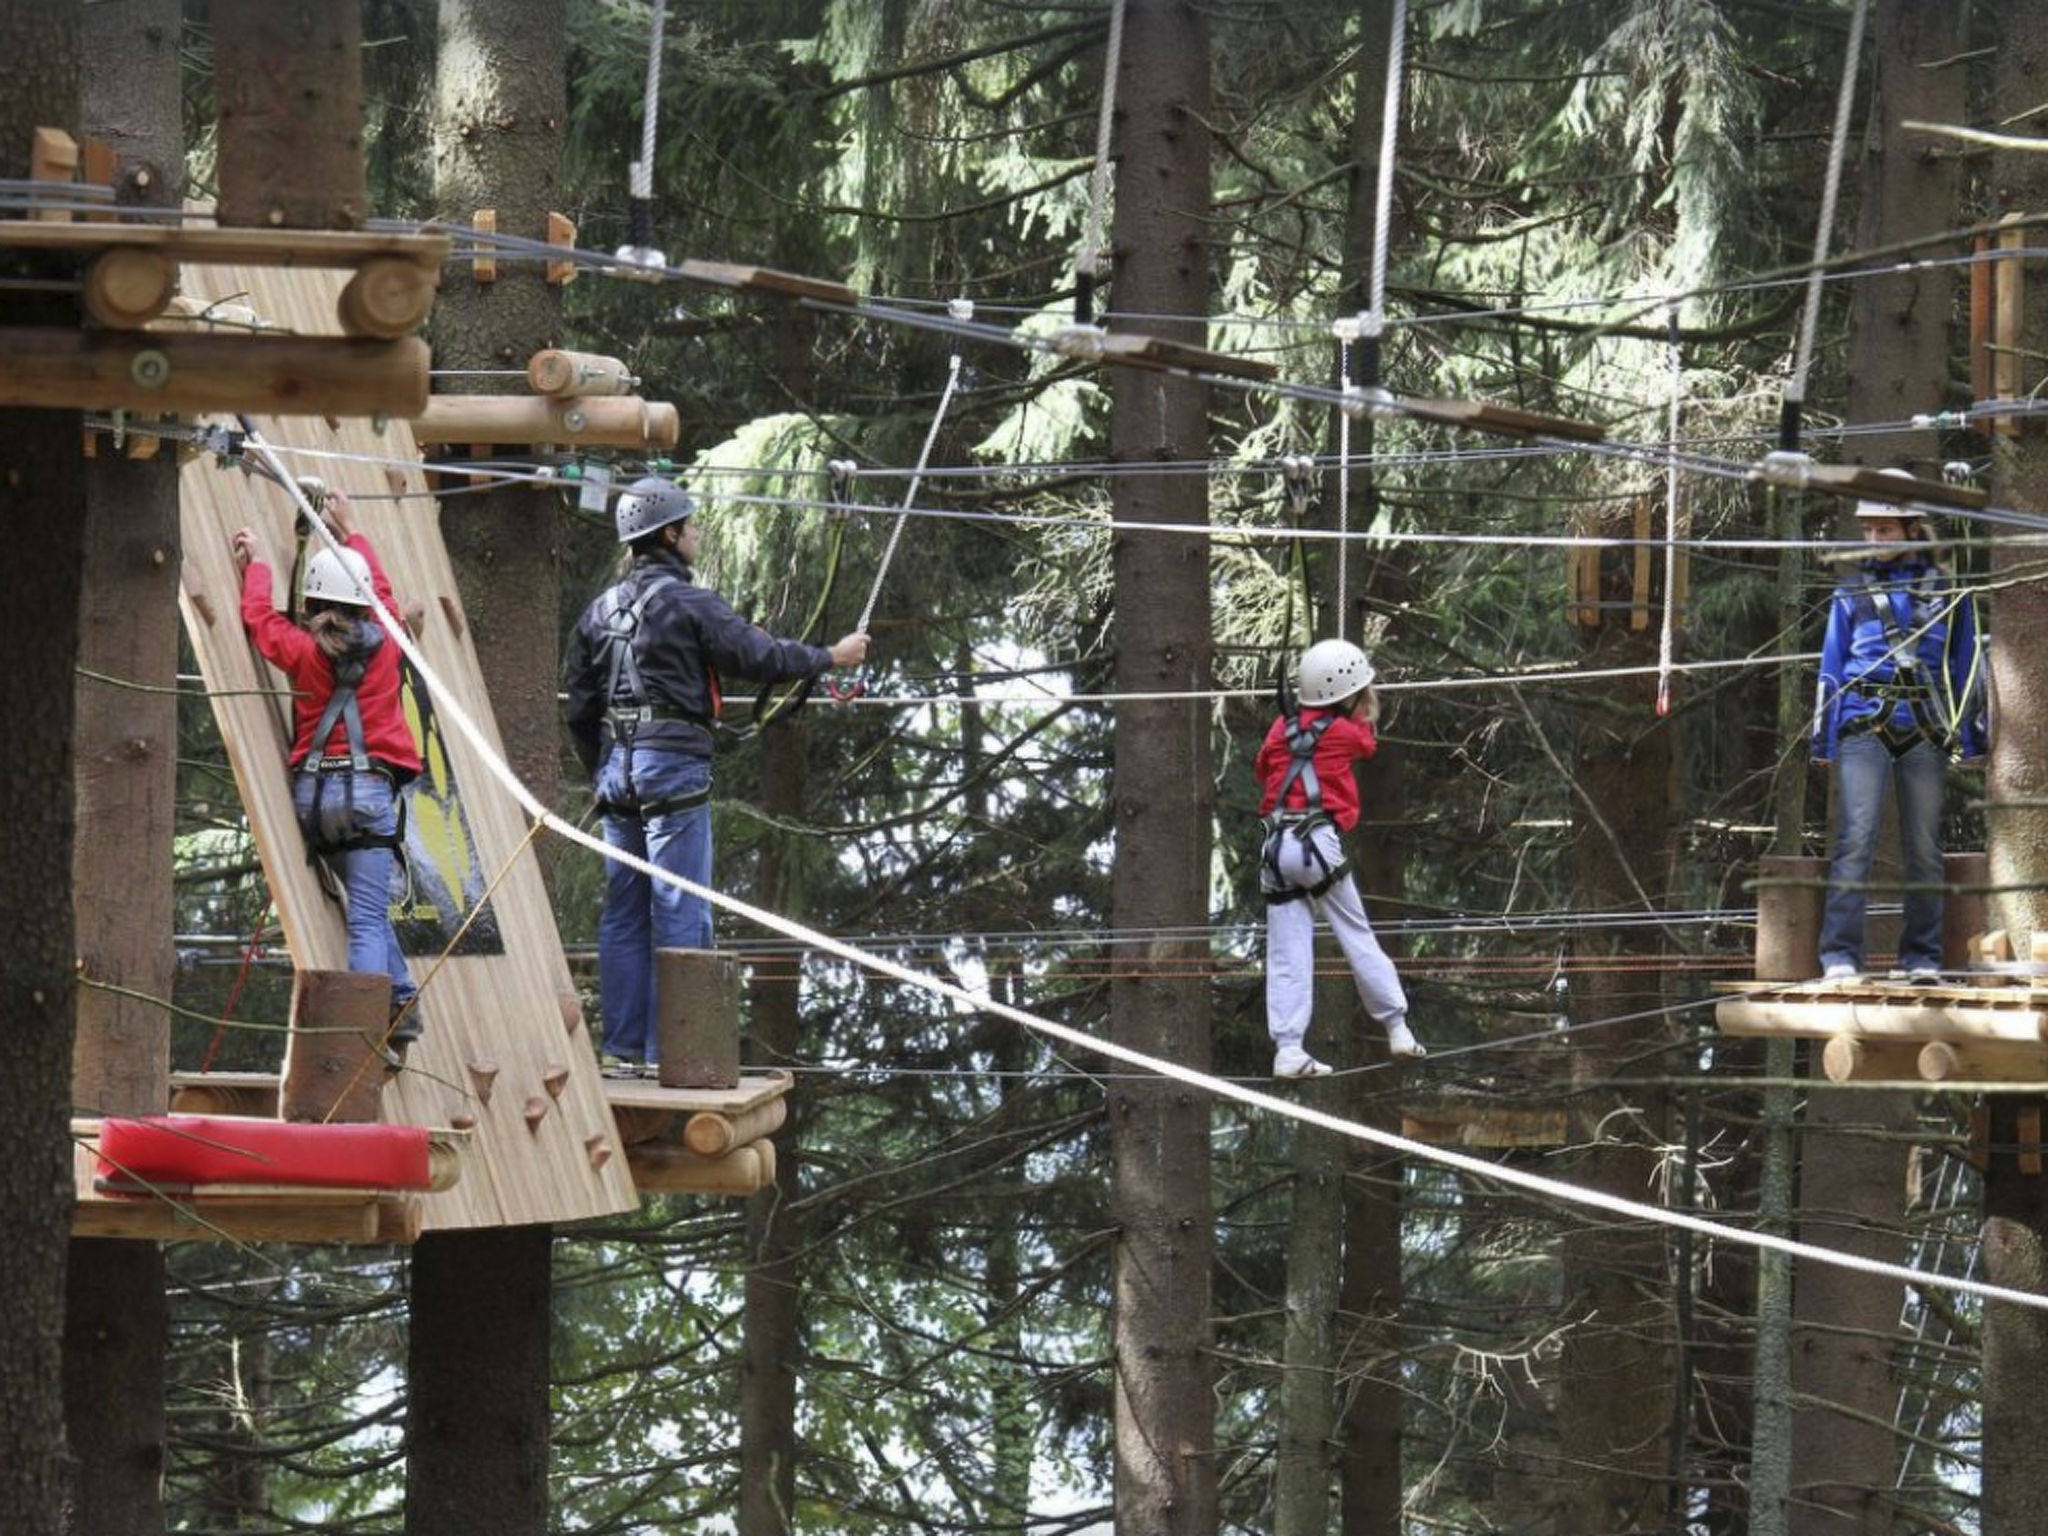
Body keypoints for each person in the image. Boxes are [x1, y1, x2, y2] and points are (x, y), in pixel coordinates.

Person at [564, 476, 870, 1077]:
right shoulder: (688, 603)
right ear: (670, 534)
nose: (697, 534)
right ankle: (669, 1052)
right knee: (681, 905)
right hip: (670, 766)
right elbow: (759, 656)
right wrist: (832, 657)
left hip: (618, 772)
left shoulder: (597, 611)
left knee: (625, 908)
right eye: (691, 525)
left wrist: (600, 768)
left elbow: (580, 704)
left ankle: (624, 1052)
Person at [232, 488, 423, 1063]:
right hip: (367, 797)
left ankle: (403, 1003)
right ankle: (370, 1035)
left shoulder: (301, 650)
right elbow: (383, 593)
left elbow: (258, 621)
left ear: (314, 600)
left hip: (314, 798)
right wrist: (352, 529)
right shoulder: (387, 642)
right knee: (366, 918)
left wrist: (259, 564)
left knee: (366, 910)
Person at [1811, 473, 1987, 983]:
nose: (1875, 540)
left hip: (1926, 727)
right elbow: (1830, 664)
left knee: (1924, 849)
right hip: (1863, 723)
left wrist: (1973, 737)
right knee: (1855, 839)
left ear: (1912, 529)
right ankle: (1840, 956)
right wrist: (1822, 739)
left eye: (1886, 530)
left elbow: (1967, 664)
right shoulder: (1851, 590)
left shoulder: (1949, 592)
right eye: (1869, 531)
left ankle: (1921, 960)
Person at [1257, 638, 1424, 1077]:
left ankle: (1289, 1048)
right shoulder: (1346, 731)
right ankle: (1397, 1026)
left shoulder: (1281, 728)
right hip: (1317, 844)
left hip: (1275, 847)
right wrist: (1358, 711)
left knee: (1287, 949)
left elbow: (1263, 766)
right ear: (1347, 694)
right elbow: (1367, 745)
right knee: (1355, 933)